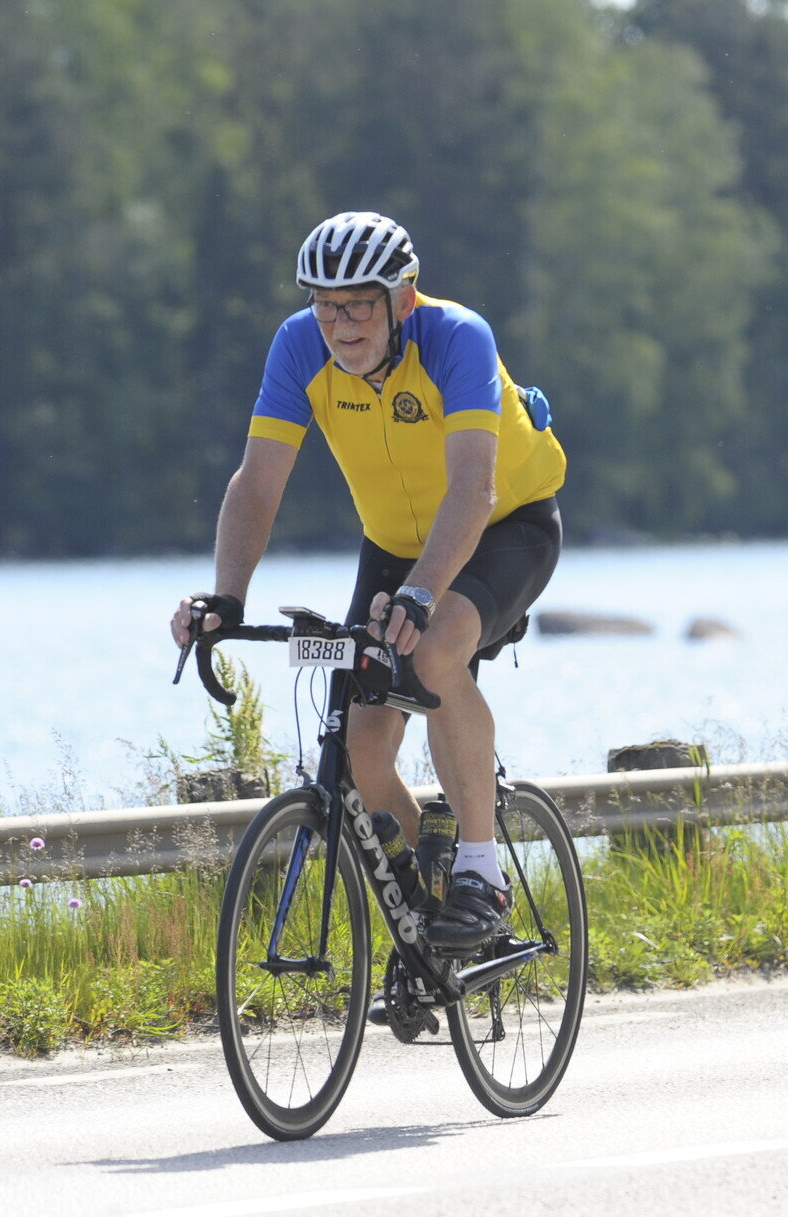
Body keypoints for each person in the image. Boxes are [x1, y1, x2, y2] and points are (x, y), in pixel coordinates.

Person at [170, 211, 567, 954]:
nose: (340, 324)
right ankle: (430, 912)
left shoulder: (457, 338)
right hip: (393, 546)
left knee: (435, 654)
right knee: (358, 750)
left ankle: (481, 874)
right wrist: (228, 595)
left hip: (502, 526)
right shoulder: (299, 347)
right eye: (325, 305)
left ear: (402, 299)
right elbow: (258, 483)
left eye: (358, 305)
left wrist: (422, 593)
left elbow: (473, 487)